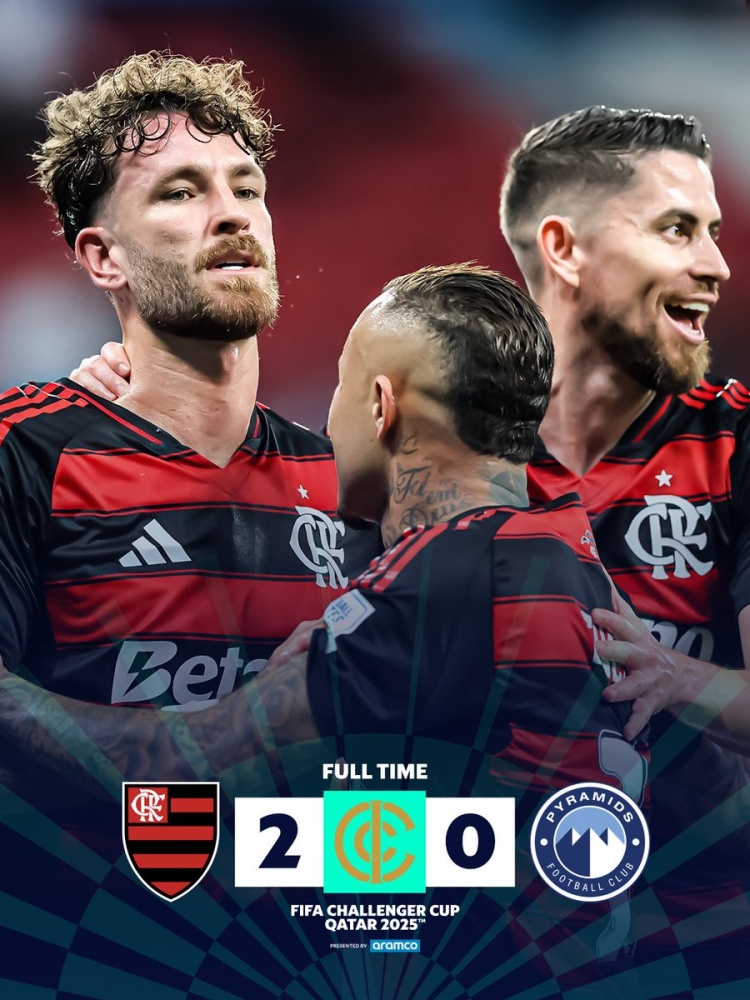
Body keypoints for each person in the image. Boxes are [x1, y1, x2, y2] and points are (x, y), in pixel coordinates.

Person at [1, 263, 648, 994]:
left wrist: (15, 712)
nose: (323, 423)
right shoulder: (568, 552)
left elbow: (187, 766)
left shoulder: (435, 585)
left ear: (380, 405)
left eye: (341, 386)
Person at [500, 105, 750, 988]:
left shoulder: (737, 440)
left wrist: (673, 678)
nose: (715, 265)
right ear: (564, 248)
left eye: (713, 232)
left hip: (711, 944)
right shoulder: (443, 445)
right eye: (677, 229)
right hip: (500, 947)